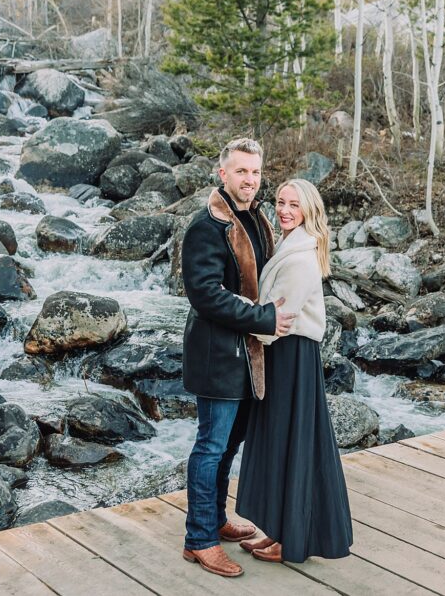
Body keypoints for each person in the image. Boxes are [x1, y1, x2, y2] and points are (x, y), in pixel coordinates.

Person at [180, 138, 297, 578]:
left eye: (255, 172)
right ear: (222, 174)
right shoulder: (205, 226)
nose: (250, 180)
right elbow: (206, 295)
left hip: (250, 358)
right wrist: (265, 318)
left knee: (229, 446)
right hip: (219, 357)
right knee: (210, 447)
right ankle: (199, 539)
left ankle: (216, 518)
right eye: (241, 171)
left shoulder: (257, 219)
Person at [236, 178, 353, 563]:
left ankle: (293, 539)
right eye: (281, 202)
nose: (285, 210)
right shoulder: (290, 244)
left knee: (293, 443)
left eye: (294, 205)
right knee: (278, 441)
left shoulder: (301, 257)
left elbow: (278, 314)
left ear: (308, 212)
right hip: (283, 353)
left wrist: (234, 318)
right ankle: (278, 531)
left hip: (292, 354)